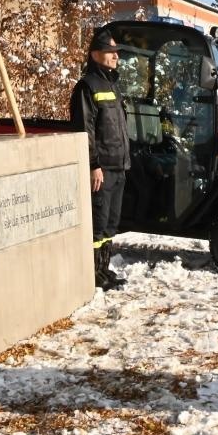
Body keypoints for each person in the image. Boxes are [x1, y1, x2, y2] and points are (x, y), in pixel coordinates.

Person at [72, 28, 130, 289]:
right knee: (98, 223)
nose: (116, 57)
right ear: (96, 54)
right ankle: (93, 273)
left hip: (119, 167)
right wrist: (93, 164)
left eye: (117, 53)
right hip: (102, 169)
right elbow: (86, 129)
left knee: (111, 223)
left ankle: (104, 270)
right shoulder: (87, 86)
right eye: (111, 52)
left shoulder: (112, 84)